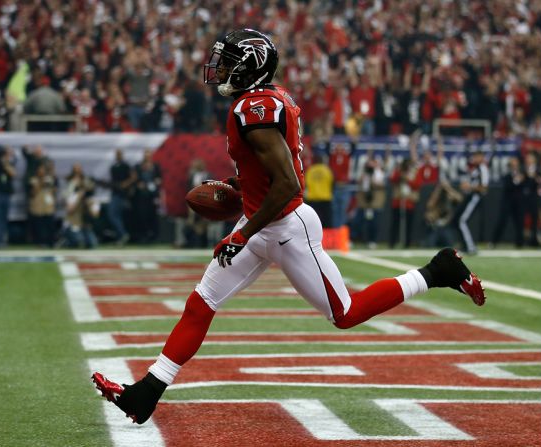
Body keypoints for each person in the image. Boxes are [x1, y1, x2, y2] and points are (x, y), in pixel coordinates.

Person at [92, 29, 486, 426]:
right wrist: (239, 189)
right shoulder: (263, 99)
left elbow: (288, 184)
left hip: (285, 226)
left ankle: (438, 271)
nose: (220, 69)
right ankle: (144, 395)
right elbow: (270, 171)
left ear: (250, 66)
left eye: (228, 61)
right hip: (261, 218)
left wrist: (242, 233)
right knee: (201, 303)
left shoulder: (254, 109)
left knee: (345, 313)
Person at [453, 149, 489, 255]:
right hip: (470, 196)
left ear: (482, 157)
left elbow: (484, 188)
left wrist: (470, 186)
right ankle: (465, 245)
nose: (475, 158)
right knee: (458, 220)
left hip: (475, 197)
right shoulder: (476, 169)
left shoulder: (483, 168)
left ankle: (470, 247)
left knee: (461, 221)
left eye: (477, 156)